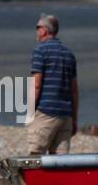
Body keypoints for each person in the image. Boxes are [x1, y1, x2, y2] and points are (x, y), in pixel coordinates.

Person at [27, 14, 79, 155]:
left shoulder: (40, 51)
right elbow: (74, 90)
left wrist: (30, 111)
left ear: (44, 30)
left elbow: (36, 84)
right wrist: (74, 119)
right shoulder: (69, 54)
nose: (36, 31)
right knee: (61, 163)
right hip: (65, 115)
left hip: (46, 113)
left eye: (37, 28)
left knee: (35, 157)